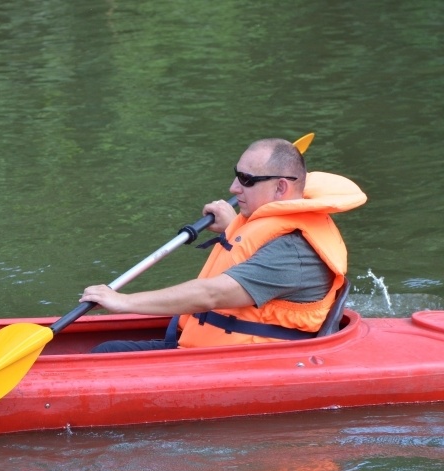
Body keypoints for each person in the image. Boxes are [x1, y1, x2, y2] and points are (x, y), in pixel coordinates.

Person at [80, 138, 367, 352]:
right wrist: (234, 226)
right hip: (212, 346)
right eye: (237, 174)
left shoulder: (294, 252)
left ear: (281, 187)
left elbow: (212, 294)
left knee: (106, 355)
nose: (233, 187)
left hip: (251, 360)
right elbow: (254, 247)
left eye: (246, 180)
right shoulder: (273, 225)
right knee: (108, 349)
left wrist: (123, 302)